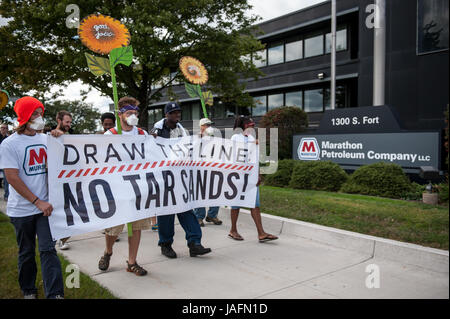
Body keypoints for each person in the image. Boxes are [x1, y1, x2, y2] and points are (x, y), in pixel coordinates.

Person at [0, 96, 64, 299]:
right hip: (22, 209)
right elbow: (12, 177)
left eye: (40, 113)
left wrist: (59, 138)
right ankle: (28, 290)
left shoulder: (46, 139)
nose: (40, 117)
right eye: (35, 113)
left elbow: (62, 161)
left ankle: (54, 294)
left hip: (45, 209)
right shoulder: (10, 144)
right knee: (26, 252)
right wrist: (37, 201)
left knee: (48, 250)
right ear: (25, 117)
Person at [150, 102, 211, 258]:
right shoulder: (157, 130)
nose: (177, 115)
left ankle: (194, 243)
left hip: (179, 178)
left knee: (186, 210)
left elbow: (189, 148)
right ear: (167, 115)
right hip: (163, 179)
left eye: (178, 112)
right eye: (174, 112)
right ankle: (165, 244)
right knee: (166, 213)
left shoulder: (181, 130)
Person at [98, 96, 151, 276]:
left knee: (136, 227)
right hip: (117, 188)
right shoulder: (110, 135)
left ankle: (132, 262)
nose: (133, 116)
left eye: (135, 112)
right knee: (114, 228)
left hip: (138, 188)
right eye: (129, 113)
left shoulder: (143, 134)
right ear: (120, 115)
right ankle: (108, 251)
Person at [228, 116, 278, 243]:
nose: (252, 128)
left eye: (252, 125)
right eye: (250, 125)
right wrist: (252, 143)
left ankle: (261, 233)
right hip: (238, 176)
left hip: (251, 176)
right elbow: (236, 154)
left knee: (255, 204)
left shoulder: (251, 138)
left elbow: (254, 158)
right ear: (243, 126)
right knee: (236, 204)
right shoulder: (235, 137)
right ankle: (233, 230)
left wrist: (258, 174)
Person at [193, 118, 222, 227]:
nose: (209, 127)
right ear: (201, 126)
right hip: (200, 170)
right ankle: (199, 217)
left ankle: (212, 215)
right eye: (207, 125)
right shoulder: (196, 138)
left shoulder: (215, 139)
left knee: (216, 192)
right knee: (200, 194)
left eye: (210, 125)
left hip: (213, 169)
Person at [53, 110, 73, 250]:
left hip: (71, 180)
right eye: (66, 122)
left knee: (70, 211)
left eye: (70, 122)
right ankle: (58, 237)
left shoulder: (70, 137)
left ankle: (63, 238)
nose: (69, 125)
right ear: (58, 120)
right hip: (57, 181)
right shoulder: (51, 136)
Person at [0, 123, 10, 201]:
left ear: (7, 129)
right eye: (2, 128)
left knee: (7, 179)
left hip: (4, 161)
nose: (3, 129)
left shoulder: (8, 139)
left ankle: (6, 195)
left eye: (5, 128)